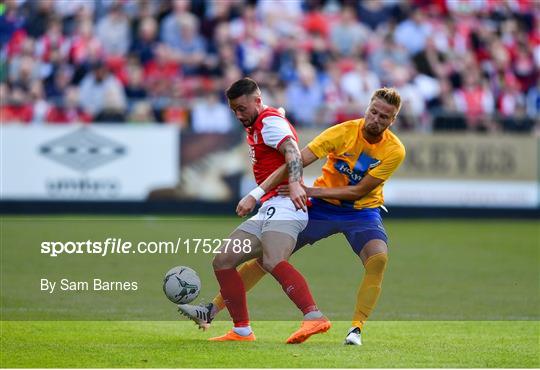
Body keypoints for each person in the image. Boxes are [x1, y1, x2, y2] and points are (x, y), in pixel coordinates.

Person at [179, 87, 406, 346]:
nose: (375, 119)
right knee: (268, 258)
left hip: (362, 211)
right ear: (367, 108)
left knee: (378, 259)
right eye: (373, 112)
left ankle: (355, 329)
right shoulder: (342, 132)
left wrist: (307, 189)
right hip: (320, 207)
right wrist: (260, 192)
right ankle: (213, 310)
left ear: (393, 120)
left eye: (383, 117)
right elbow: (295, 160)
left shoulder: (394, 150)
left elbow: (359, 191)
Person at [203, 77, 331, 343]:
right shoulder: (259, 123)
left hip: (287, 205)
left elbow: (293, 152)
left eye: (242, 108)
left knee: (273, 260)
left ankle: (314, 316)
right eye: (234, 110)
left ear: (257, 101)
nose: (238, 115)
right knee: (223, 260)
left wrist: (295, 184)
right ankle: (241, 330)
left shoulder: (270, 123)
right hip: (269, 207)